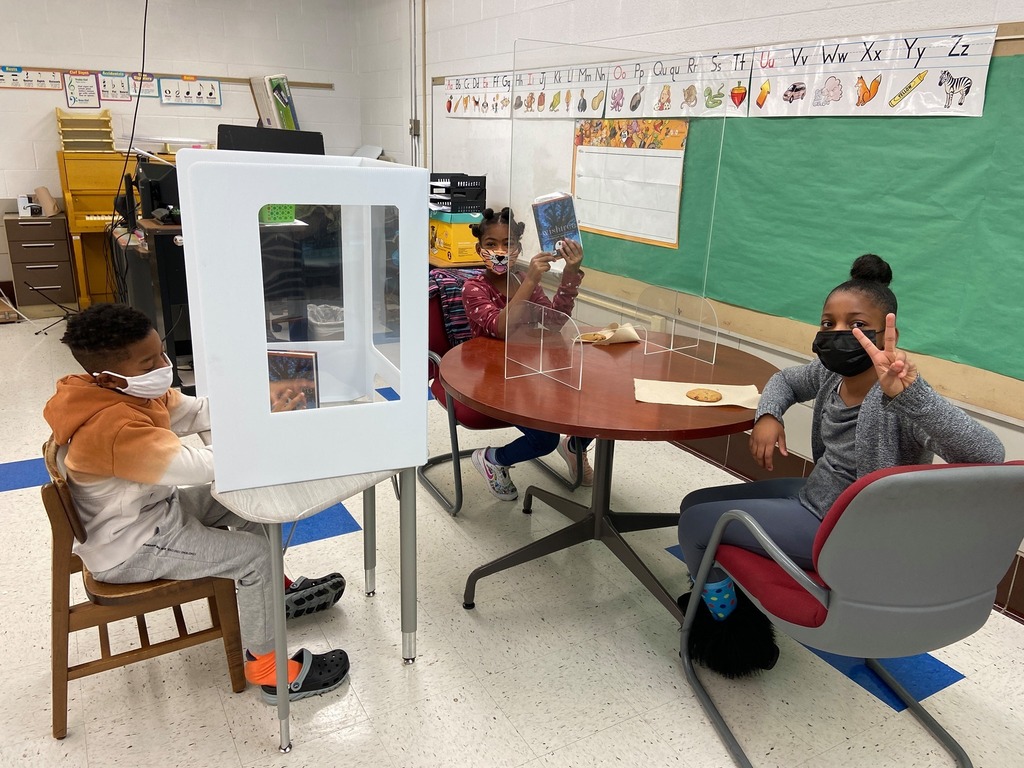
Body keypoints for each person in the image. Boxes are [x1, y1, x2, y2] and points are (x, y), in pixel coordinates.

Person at [677, 254, 1004, 675]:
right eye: (827, 323)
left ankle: (731, 631)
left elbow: (987, 455)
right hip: (816, 498)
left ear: (888, 333)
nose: (836, 334)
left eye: (855, 325)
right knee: (695, 503)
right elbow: (787, 380)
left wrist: (914, 395)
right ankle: (721, 586)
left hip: (842, 527)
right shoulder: (832, 376)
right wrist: (769, 415)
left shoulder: (901, 399)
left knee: (695, 526)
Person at [43, 303, 351, 703]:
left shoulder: (122, 391)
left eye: (160, 354)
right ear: (107, 375)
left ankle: (276, 594)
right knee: (254, 555)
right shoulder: (112, 427)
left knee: (242, 500)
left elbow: (198, 412)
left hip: (151, 514)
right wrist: (270, 431)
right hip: (131, 547)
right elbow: (202, 466)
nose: (161, 366)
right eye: (147, 362)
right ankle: (270, 670)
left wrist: (269, 399)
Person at [460, 206, 593, 501]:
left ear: (519, 248)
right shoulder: (474, 288)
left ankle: (574, 447)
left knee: (595, 402)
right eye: (491, 244)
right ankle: (493, 459)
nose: (500, 251)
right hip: (493, 377)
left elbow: (555, 322)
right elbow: (501, 327)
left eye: (509, 244)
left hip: (529, 369)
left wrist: (570, 273)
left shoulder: (522, 281)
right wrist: (531, 280)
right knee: (545, 438)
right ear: (478, 248)